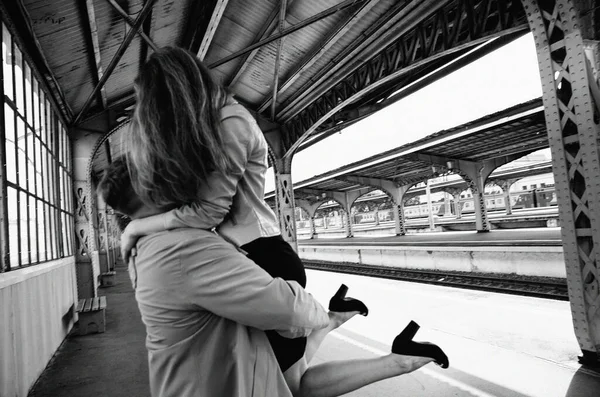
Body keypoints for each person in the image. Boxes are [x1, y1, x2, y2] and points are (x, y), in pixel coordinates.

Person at [121, 46, 448, 395]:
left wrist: (139, 227)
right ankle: (344, 322)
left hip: (263, 257)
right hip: (254, 255)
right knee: (284, 379)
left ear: (174, 93)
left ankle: (399, 358)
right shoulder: (218, 123)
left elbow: (209, 212)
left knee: (288, 388)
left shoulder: (230, 123)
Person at [99, 157, 446, 397]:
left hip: (255, 284)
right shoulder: (182, 242)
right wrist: (309, 318)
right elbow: (292, 310)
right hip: (268, 258)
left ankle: (376, 346)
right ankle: (349, 327)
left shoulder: (149, 244)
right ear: (153, 188)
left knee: (294, 383)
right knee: (293, 381)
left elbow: (288, 310)